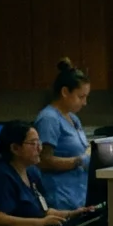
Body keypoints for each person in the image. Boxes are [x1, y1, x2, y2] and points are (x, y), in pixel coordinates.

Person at [0, 121, 91, 226]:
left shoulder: (32, 172)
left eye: (39, 142)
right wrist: (41, 223)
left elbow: (43, 211)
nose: (39, 148)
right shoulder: (1, 175)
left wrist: (71, 214)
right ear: (15, 148)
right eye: (33, 143)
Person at [36, 58, 91, 210]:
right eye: (81, 97)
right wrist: (78, 161)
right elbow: (43, 161)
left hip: (78, 195)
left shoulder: (73, 118)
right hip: (60, 197)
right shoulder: (49, 119)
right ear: (65, 92)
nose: (84, 102)